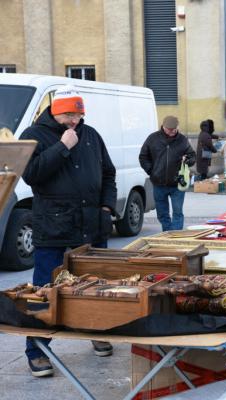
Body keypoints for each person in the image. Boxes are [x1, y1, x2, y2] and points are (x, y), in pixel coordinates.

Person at [19, 85, 117, 377]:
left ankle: (96, 331)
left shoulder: (92, 135)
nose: (76, 121)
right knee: (45, 291)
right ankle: (37, 350)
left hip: (91, 227)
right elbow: (32, 175)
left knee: (95, 286)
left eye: (79, 114)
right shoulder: (34, 135)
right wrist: (63, 147)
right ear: (56, 112)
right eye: (70, 115)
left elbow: (108, 173)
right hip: (54, 228)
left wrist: (106, 209)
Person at [139, 116, 196, 231]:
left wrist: (187, 160)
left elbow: (192, 156)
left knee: (177, 212)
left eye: (174, 129)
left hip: (177, 184)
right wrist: (152, 171)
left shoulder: (182, 139)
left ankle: (175, 236)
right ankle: (168, 233)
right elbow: (143, 157)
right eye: (169, 129)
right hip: (158, 184)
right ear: (163, 127)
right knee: (162, 213)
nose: (172, 131)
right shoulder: (153, 138)